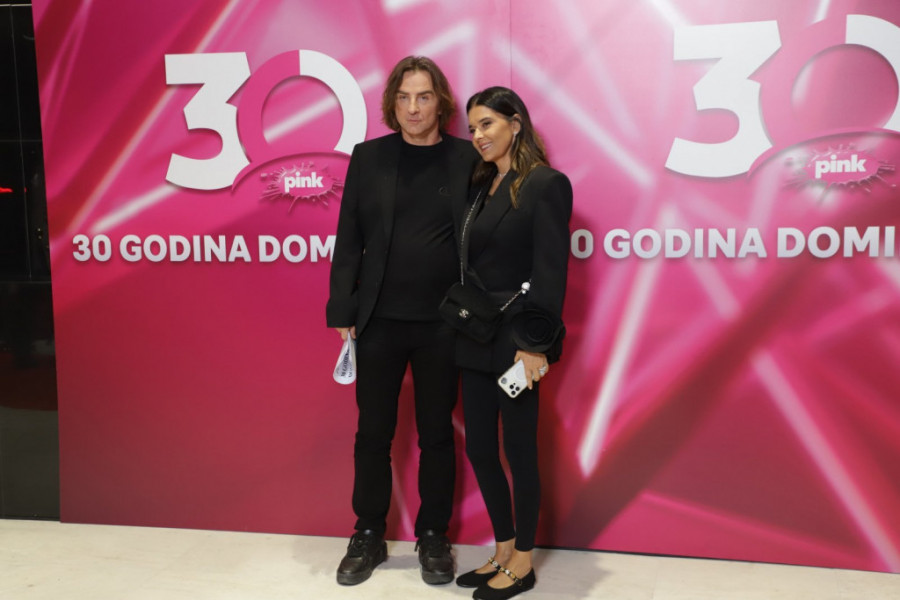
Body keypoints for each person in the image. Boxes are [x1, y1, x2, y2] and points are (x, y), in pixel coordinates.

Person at [326, 56, 479, 586]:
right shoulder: (369, 157)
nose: (414, 107)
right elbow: (349, 237)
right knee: (373, 433)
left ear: (441, 103)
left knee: (437, 435)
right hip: (378, 323)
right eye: (404, 97)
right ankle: (368, 532)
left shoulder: (466, 158)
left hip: (443, 324)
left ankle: (433, 535)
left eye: (424, 96)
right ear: (393, 103)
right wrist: (342, 309)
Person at [453, 87, 572, 600]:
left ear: (516, 124)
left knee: (518, 447)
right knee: (480, 446)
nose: (478, 136)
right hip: (475, 332)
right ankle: (502, 547)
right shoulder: (481, 185)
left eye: (487, 124)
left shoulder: (546, 184)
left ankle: (523, 560)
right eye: (472, 128)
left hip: (518, 337)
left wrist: (534, 346)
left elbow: (550, 273)